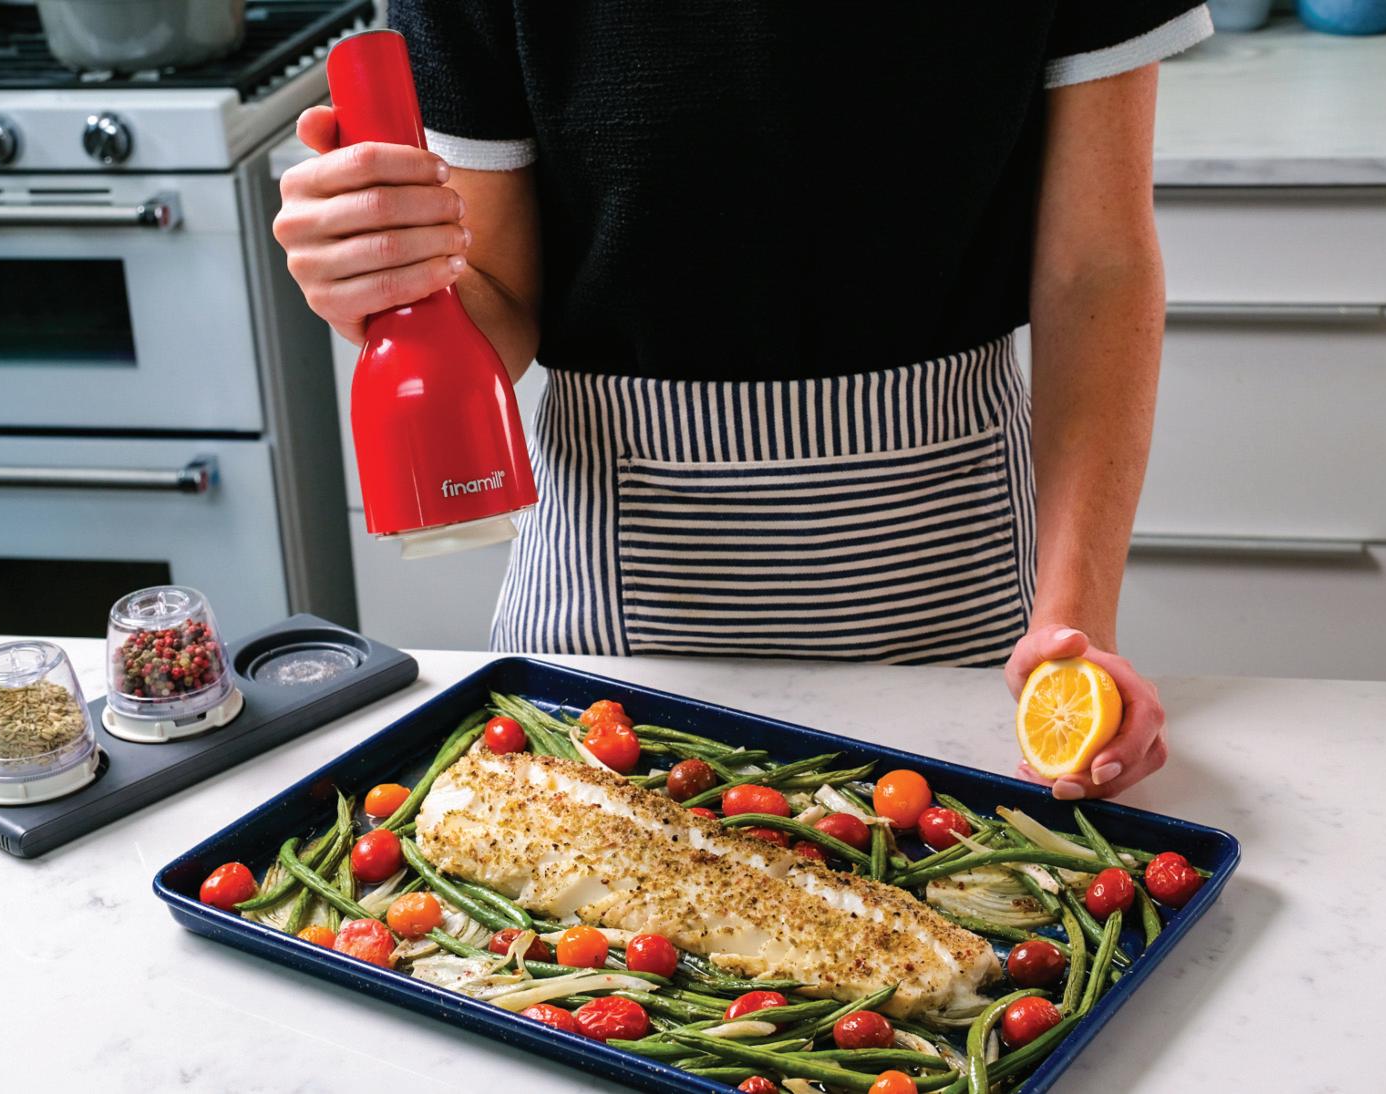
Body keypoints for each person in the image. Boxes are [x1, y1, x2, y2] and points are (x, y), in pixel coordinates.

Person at [274, 4, 1216, 799]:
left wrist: (1072, 625)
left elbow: (1096, 268)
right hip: (614, 604)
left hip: (958, 591)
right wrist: (385, 281)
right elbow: (499, 302)